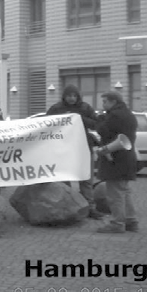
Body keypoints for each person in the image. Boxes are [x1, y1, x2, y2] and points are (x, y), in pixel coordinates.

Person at [46, 84, 103, 219]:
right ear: (64, 96)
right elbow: (46, 124)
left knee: (86, 179)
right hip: (64, 147)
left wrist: (79, 118)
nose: (71, 99)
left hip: (82, 146)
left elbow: (96, 124)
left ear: (78, 97)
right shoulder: (56, 109)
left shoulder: (85, 108)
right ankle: (69, 206)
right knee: (65, 179)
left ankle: (90, 208)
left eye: (74, 96)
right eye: (69, 96)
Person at [93, 91, 138, 234]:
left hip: (116, 158)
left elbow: (102, 131)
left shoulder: (114, 115)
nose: (103, 105)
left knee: (115, 194)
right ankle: (131, 221)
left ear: (113, 102)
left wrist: (100, 119)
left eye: (105, 102)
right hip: (127, 157)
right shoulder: (129, 114)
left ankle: (117, 223)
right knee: (125, 191)